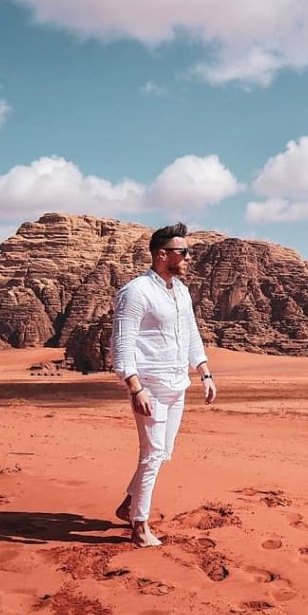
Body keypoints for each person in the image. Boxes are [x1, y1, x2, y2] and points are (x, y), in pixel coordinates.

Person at [110, 222, 216, 547]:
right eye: (182, 252)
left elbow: (190, 334)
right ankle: (139, 526)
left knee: (163, 451)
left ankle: (129, 504)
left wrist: (204, 371)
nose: (188, 257)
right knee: (152, 453)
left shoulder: (180, 291)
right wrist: (135, 386)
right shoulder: (136, 293)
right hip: (150, 386)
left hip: (176, 385)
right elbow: (122, 344)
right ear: (162, 255)